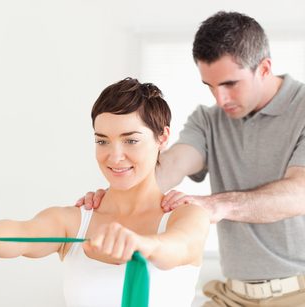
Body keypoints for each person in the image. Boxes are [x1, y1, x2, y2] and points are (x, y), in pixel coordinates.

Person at [76, 12, 305, 306]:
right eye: (210, 86)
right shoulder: (209, 120)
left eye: (230, 84)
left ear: (264, 68)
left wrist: (215, 205)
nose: (220, 99)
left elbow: (299, 194)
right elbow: (171, 165)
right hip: (233, 294)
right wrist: (115, 196)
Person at [0, 78, 209, 307]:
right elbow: (22, 233)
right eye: (102, 142)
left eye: (131, 140)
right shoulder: (74, 221)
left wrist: (140, 244)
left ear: (162, 138)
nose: (114, 156)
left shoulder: (185, 216)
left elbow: (178, 246)